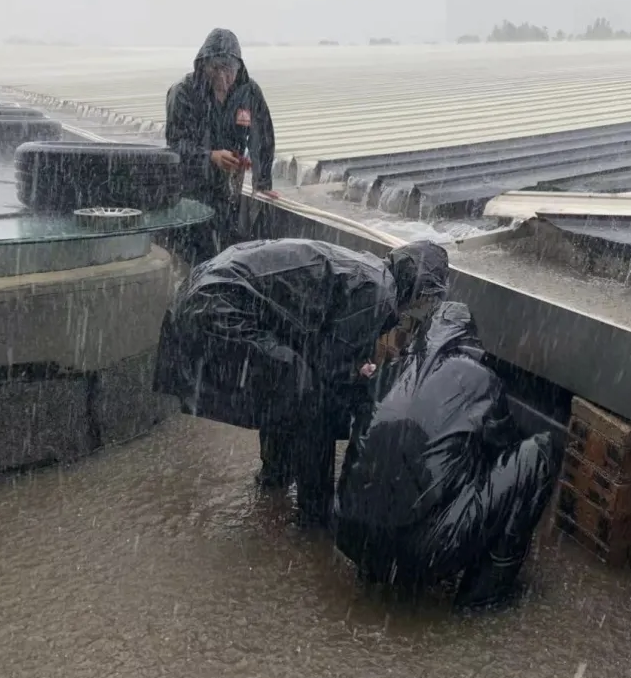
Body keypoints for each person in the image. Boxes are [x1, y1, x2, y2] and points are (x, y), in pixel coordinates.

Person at [152, 238, 451, 527]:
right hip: (220, 305)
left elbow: (319, 343)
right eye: (427, 297)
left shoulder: (369, 272)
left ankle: (276, 476)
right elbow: (328, 368)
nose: (424, 306)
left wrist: (350, 368)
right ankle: (315, 512)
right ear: (418, 284)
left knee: (285, 385)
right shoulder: (378, 291)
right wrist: (358, 377)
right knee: (309, 397)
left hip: (206, 292)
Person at [334, 301, 556, 611]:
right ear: (469, 341)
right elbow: (505, 450)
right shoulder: (480, 379)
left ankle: (374, 569)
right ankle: (483, 597)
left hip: (349, 534)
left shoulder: (389, 372)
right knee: (539, 453)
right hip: (425, 554)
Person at [165, 28, 277, 266]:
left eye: (228, 70)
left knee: (228, 255)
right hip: (190, 193)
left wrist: (262, 181)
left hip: (227, 194)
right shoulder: (183, 93)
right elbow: (175, 147)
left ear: (238, 68)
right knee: (194, 255)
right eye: (215, 69)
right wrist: (210, 156)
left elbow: (263, 136)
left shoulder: (249, 92)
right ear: (203, 66)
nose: (223, 79)